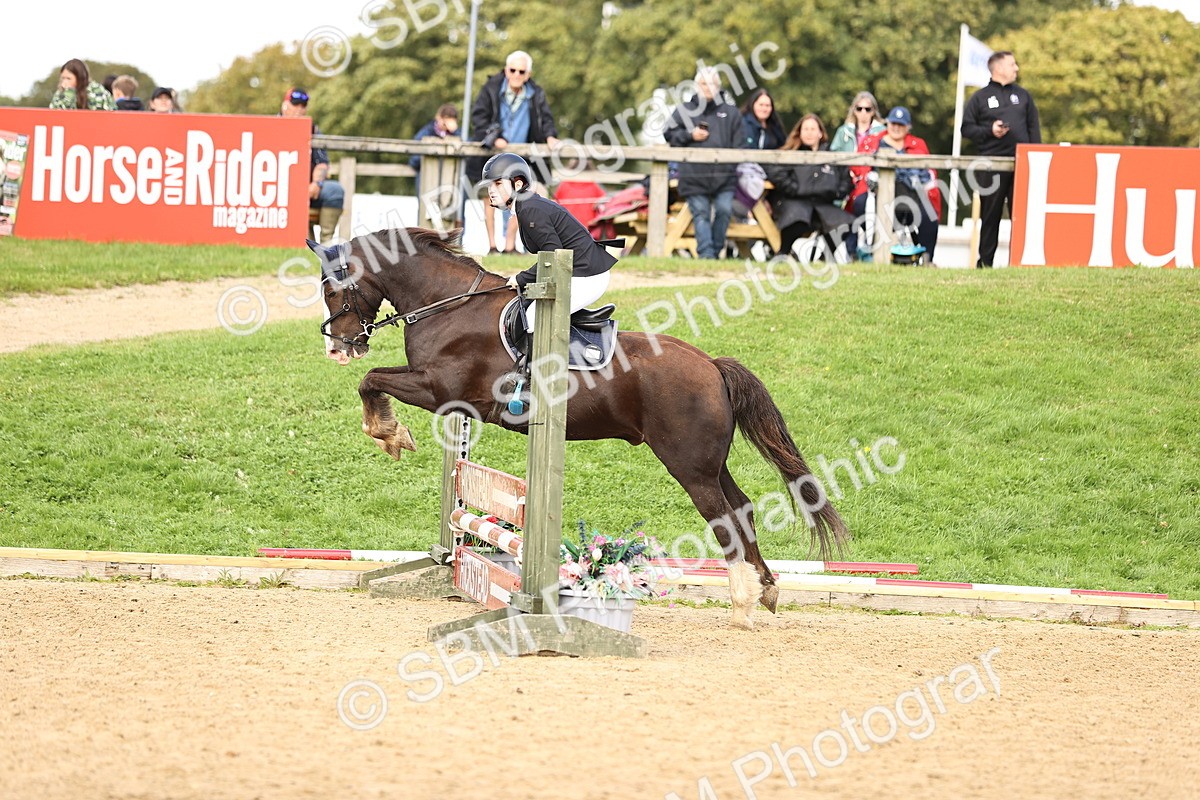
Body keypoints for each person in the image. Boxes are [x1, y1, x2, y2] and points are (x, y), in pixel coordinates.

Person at [484, 152, 616, 332]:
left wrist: (520, 278)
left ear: (518, 184)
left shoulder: (530, 209)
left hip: (587, 277)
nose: (491, 190)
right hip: (576, 272)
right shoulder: (527, 206)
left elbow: (552, 257)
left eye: (498, 183)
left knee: (533, 319)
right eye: (490, 184)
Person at [468, 50, 561, 254]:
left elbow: (546, 120)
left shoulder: (536, 93)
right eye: (513, 70)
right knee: (490, 195)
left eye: (522, 71)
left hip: (523, 158)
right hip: (493, 153)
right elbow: (479, 118)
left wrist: (550, 136)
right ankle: (492, 246)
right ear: (506, 70)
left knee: (522, 196)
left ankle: (510, 245)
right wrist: (494, 137)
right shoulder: (490, 88)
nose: (517, 74)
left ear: (528, 74)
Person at [961, 50, 1041, 268]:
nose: (1016, 68)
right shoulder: (980, 97)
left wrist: (1036, 159)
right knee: (990, 215)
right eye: (1012, 64)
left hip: (1021, 165)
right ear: (999, 68)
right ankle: (985, 263)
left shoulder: (1024, 96)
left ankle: (1023, 262)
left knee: (1023, 214)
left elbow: (1034, 129)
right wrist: (990, 130)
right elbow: (966, 129)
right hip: (990, 165)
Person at [664, 67, 745, 259]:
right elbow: (669, 133)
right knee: (700, 212)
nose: (708, 87)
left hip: (724, 178)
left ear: (718, 87)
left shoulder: (732, 113)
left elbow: (740, 145)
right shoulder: (684, 110)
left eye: (712, 84)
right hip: (693, 176)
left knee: (724, 211)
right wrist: (689, 135)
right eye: (703, 83)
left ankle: (716, 253)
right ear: (696, 86)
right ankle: (706, 255)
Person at [846, 106, 942, 263]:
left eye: (901, 125)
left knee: (929, 216)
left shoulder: (918, 144)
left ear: (908, 127)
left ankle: (927, 259)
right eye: (893, 124)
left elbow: (929, 173)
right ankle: (856, 254)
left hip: (910, 195)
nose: (896, 128)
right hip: (876, 195)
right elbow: (859, 169)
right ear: (887, 123)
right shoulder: (873, 141)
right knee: (858, 205)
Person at [768, 114, 854, 260]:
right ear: (799, 132)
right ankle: (783, 253)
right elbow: (776, 173)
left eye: (813, 129)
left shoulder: (832, 156)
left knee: (846, 223)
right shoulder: (790, 154)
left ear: (820, 133)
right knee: (796, 221)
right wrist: (794, 188)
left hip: (823, 204)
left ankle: (825, 257)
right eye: (805, 129)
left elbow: (846, 180)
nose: (809, 132)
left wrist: (835, 192)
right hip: (794, 202)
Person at [282, 87, 344, 243]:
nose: (299, 109)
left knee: (335, 190)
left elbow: (322, 162)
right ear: (285, 105)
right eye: (295, 104)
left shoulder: (314, 130)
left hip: (307, 188)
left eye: (303, 106)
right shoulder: (270, 125)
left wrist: (316, 183)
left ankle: (327, 245)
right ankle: (305, 244)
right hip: (277, 190)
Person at [408, 103, 460, 177]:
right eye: (445, 119)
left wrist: (455, 131)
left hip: (450, 179)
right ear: (438, 117)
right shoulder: (426, 132)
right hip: (426, 177)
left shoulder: (457, 134)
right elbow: (414, 160)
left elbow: (469, 149)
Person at [48, 59, 115, 111]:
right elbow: (56, 114)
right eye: (63, 78)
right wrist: (68, 94)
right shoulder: (60, 94)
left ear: (79, 78)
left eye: (68, 78)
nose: (65, 82)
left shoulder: (96, 91)